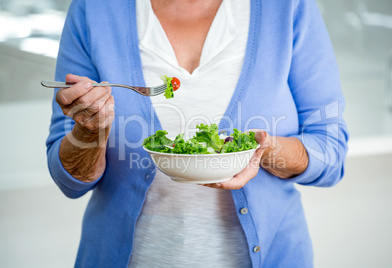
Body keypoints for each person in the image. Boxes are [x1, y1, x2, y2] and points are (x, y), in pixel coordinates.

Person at [46, 0, 349, 267]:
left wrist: (259, 150)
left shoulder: (287, 7)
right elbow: (69, 181)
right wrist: (89, 133)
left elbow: (330, 152)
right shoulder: (94, 8)